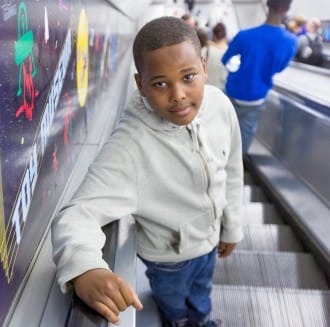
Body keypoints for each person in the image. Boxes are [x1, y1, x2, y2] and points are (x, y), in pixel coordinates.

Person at [52, 16, 244, 327]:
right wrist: (84, 267)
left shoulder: (220, 106)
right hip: (168, 260)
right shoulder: (130, 147)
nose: (178, 94)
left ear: (204, 68)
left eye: (188, 77)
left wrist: (232, 225)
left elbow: (233, 168)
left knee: (201, 292)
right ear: (140, 84)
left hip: (210, 241)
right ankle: (178, 321)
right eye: (160, 83)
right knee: (173, 302)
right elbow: (76, 214)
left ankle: (200, 317)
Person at [221, 0, 298, 156]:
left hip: (233, 93)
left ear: (267, 5)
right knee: (244, 136)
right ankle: (236, 171)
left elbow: (226, 60)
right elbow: (279, 68)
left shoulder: (244, 36)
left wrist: (240, 68)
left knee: (224, 131)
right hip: (256, 97)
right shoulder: (290, 42)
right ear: (287, 8)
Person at [204, 22, 229, 91]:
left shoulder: (205, 50)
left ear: (213, 35)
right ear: (225, 36)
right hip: (222, 89)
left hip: (207, 88)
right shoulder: (230, 54)